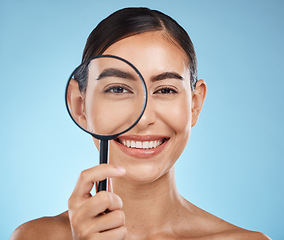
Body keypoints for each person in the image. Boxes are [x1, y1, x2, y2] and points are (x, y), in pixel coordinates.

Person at [10, 7, 270, 240]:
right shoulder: (34, 236)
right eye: (118, 89)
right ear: (80, 105)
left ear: (195, 105)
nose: (144, 119)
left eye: (166, 90)